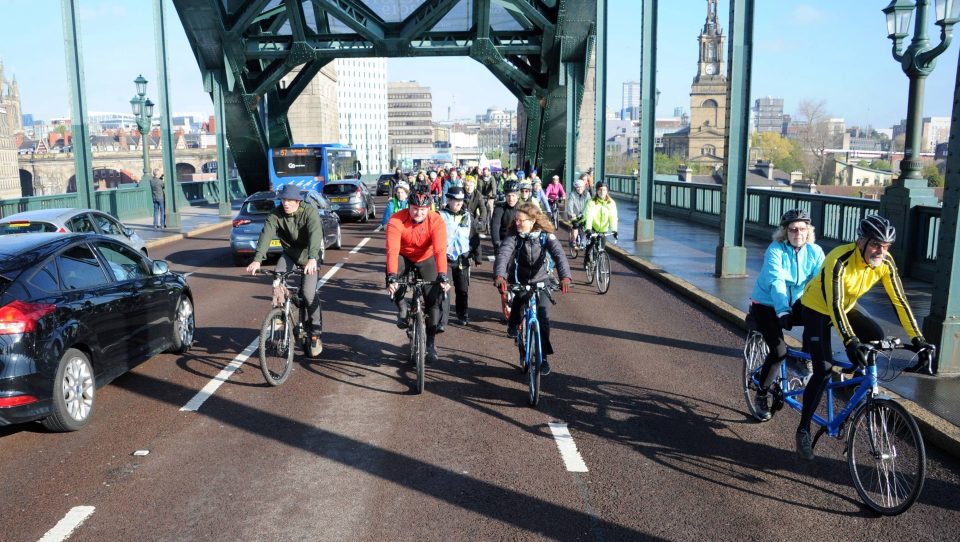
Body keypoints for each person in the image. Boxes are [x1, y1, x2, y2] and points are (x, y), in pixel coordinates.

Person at [794, 215, 936, 460]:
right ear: (861, 242)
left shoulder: (885, 263)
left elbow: (899, 301)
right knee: (823, 369)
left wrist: (918, 340)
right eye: (876, 244)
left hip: (848, 306)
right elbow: (834, 305)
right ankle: (803, 430)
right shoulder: (839, 259)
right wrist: (850, 341)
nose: (881, 251)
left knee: (875, 336)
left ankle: (858, 396)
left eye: (886, 246)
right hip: (818, 308)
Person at [748, 209, 825, 422]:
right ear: (785, 232)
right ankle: (761, 395)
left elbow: (820, 283)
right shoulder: (775, 250)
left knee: (819, 316)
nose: (797, 232)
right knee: (779, 352)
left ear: (808, 230)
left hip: (795, 302)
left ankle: (806, 361)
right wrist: (782, 310)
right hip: (767, 304)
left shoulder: (815, 251)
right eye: (792, 229)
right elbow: (777, 281)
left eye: (802, 228)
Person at [493, 203, 573, 376]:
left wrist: (565, 276)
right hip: (520, 278)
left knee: (543, 317)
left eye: (521, 220)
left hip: (541, 280)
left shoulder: (546, 237)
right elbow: (504, 254)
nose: (517, 223)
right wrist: (500, 275)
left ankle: (543, 358)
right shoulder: (514, 236)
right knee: (519, 303)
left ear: (533, 221)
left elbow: (559, 255)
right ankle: (513, 325)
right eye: (516, 220)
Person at [246, 184, 325, 357]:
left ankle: (316, 330)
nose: (285, 203)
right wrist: (257, 260)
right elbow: (266, 234)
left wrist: (313, 258)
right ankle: (280, 317)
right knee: (277, 278)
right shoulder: (276, 214)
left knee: (308, 293)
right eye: (283, 200)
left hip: (310, 255)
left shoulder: (309, 212)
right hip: (290, 254)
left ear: (298, 201)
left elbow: (315, 234)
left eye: (289, 200)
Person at [385, 186, 452, 363]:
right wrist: (392, 276)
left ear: (428, 208)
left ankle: (430, 343)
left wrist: (443, 275)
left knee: (433, 300)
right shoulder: (396, 220)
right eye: (415, 209)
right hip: (404, 255)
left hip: (427, 257)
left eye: (423, 210)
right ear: (409, 206)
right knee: (392, 276)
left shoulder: (436, 221)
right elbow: (392, 250)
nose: (419, 213)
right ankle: (402, 306)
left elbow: (439, 250)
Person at [439, 186, 481, 326]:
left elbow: (474, 237)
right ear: (449, 200)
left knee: (463, 289)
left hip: (463, 259)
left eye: (461, 201)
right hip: (445, 258)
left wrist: (477, 256)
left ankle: (462, 314)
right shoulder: (440, 215)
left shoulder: (468, 216)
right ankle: (442, 321)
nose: (458, 203)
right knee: (444, 290)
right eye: (455, 200)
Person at [581, 180, 618, 268]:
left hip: (604, 229)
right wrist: (588, 229)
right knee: (591, 243)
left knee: (602, 248)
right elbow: (588, 216)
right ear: (597, 191)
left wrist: (614, 230)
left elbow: (613, 217)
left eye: (604, 190)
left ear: (607, 191)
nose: (602, 192)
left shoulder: (611, 203)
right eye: (600, 190)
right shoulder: (591, 202)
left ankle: (599, 264)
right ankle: (587, 257)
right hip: (593, 227)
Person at [491, 180, 521, 253]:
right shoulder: (499, 208)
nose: (511, 199)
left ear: (517, 196)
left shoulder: (523, 208)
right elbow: (495, 226)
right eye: (508, 196)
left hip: (519, 240)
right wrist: (497, 242)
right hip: (504, 240)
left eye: (513, 195)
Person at [565, 177, 590, 253]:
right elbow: (570, 205)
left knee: (587, 227)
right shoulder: (572, 195)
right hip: (574, 214)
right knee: (575, 225)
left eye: (581, 187)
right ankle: (573, 241)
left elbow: (589, 204)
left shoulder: (587, 194)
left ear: (584, 187)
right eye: (578, 187)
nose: (579, 189)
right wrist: (571, 213)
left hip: (583, 214)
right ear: (575, 188)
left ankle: (583, 242)